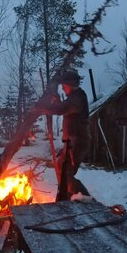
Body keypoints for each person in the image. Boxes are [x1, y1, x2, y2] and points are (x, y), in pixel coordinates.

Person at [37, 70, 91, 199]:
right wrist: (56, 102)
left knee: (67, 173)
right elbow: (62, 107)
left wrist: (41, 106)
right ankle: (66, 196)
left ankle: (85, 199)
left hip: (77, 142)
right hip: (72, 142)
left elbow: (61, 109)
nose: (62, 87)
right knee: (62, 169)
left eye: (64, 85)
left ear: (70, 84)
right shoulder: (74, 98)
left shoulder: (77, 98)